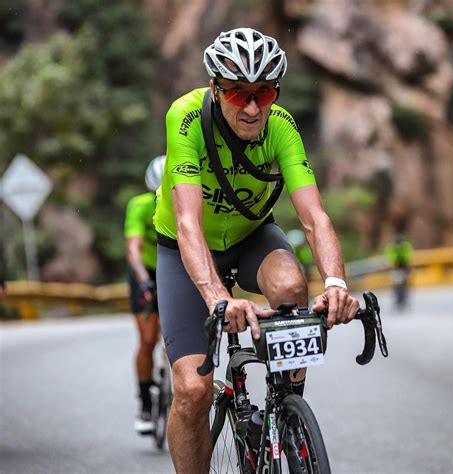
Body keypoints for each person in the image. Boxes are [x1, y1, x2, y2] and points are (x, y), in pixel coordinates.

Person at [153, 28, 360, 473]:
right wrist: (216, 298)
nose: (251, 107)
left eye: (263, 93)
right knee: (192, 391)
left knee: (290, 285)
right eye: (237, 94)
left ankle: (285, 411)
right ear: (216, 89)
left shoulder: (281, 127)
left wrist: (338, 283)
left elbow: (314, 217)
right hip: (187, 251)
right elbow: (188, 222)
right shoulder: (185, 117)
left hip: (251, 238)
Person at [124, 155, 165, 435]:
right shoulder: (139, 205)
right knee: (148, 338)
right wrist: (144, 282)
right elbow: (134, 250)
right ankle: (145, 405)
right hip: (146, 272)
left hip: (177, 266)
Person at [384, 232, 414, 309]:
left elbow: (409, 257)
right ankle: (397, 300)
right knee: (396, 284)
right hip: (396, 267)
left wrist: (408, 266)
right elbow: (390, 257)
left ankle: (404, 300)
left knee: (405, 284)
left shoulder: (406, 246)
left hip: (404, 266)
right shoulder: (392, 247)